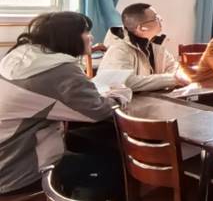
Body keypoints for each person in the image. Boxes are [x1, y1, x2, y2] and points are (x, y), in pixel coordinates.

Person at [0, 12, 123, 197]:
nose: (91, 37)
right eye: (86, 32)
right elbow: (99, 111)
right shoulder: (59, 69)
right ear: (69, 37)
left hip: (7, 154)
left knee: (91, 142)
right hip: (17, 170)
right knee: (114, 166)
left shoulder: (20, 56)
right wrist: (120, 95)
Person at [99, 3, 183, 91]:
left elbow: (174, 68)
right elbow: (126, 82)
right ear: (142, 28)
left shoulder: (155, 44)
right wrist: (172, 79)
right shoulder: (118, 49)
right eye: (156, 18)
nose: (161, 19)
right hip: (123, 99)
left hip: (149, 97)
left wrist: (175, 78)